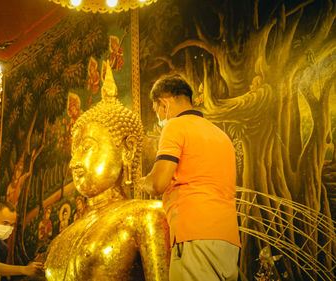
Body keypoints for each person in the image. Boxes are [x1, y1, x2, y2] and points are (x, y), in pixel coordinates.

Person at [45, 62, 170, 281]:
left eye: (86, 148)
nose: (73, 162)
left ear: (127, 150)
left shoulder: (145, 216)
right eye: (73, 152)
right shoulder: (62, 238)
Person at [138, 74, 241, 281]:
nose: (158, 116)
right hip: (228, 240)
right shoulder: (220, 134)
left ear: (164, 103)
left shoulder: (175, 126)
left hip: (195, 235)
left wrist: (142, 181)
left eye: (156, 109)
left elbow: (158, 183)